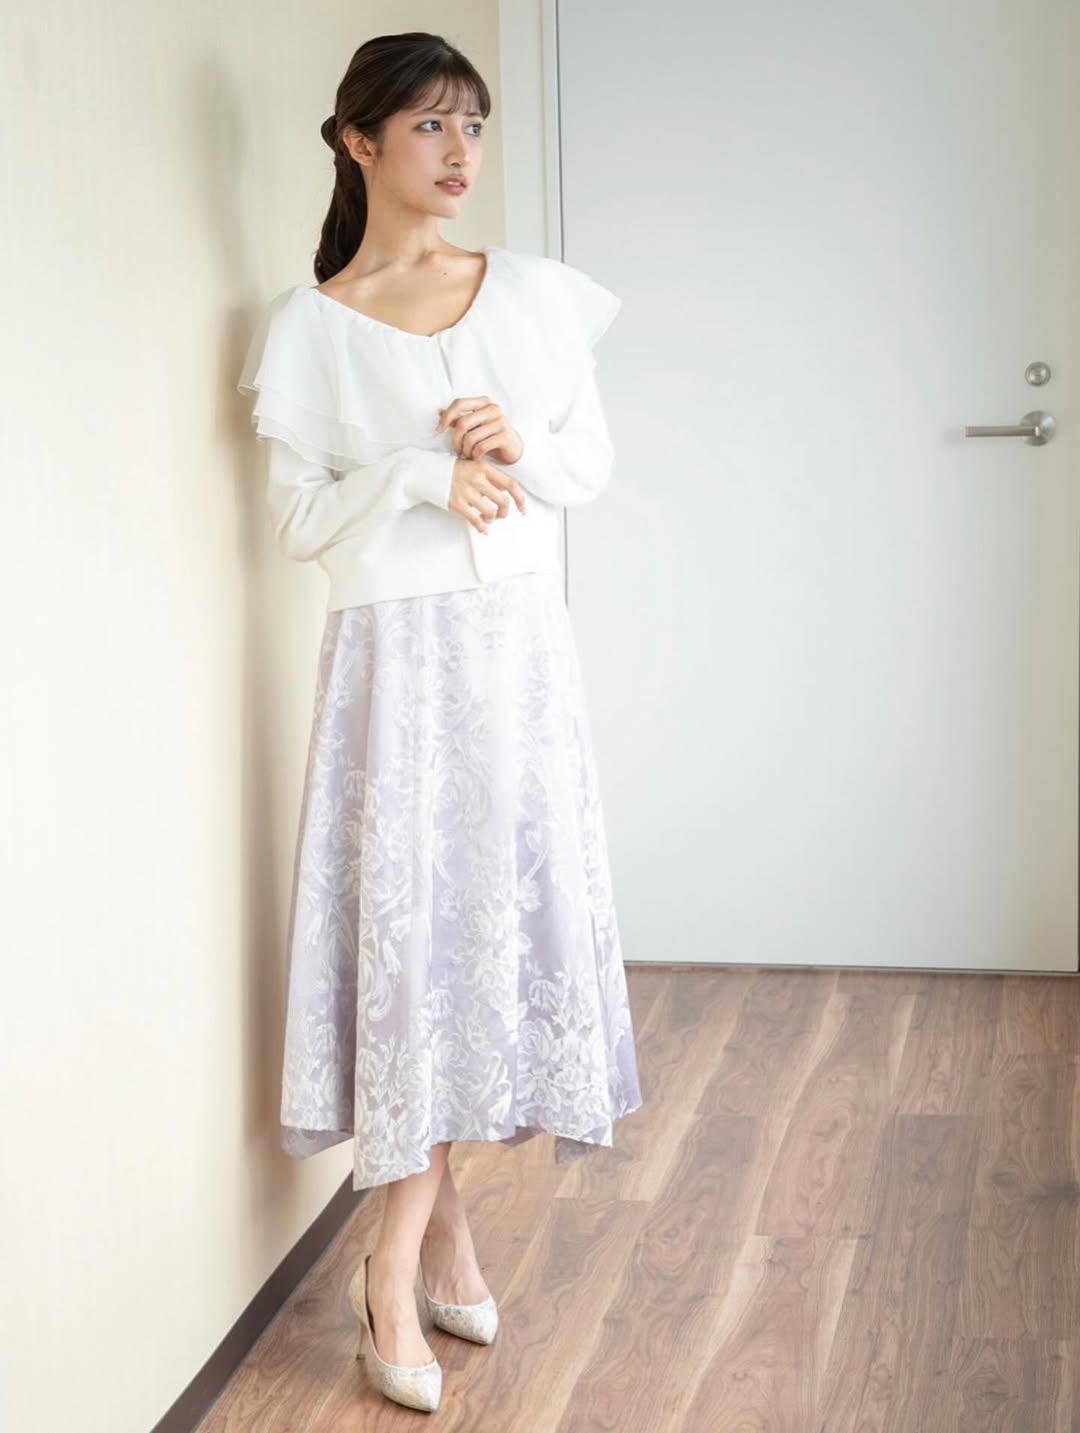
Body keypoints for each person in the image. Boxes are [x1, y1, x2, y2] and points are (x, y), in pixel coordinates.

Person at [236, 30, 643, 1413]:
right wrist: (420, 474)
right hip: (394, 667)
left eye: (474, 124)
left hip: (517, 656)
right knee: (417, 947)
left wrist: (519, 445)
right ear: (361, 143)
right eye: (429, 126)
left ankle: (431, 1233)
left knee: (478, 942)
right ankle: (397, 1260)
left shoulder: (529, 293)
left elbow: (588, 464)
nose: (461, 152)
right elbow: (298, 521)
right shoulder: (313, 326)